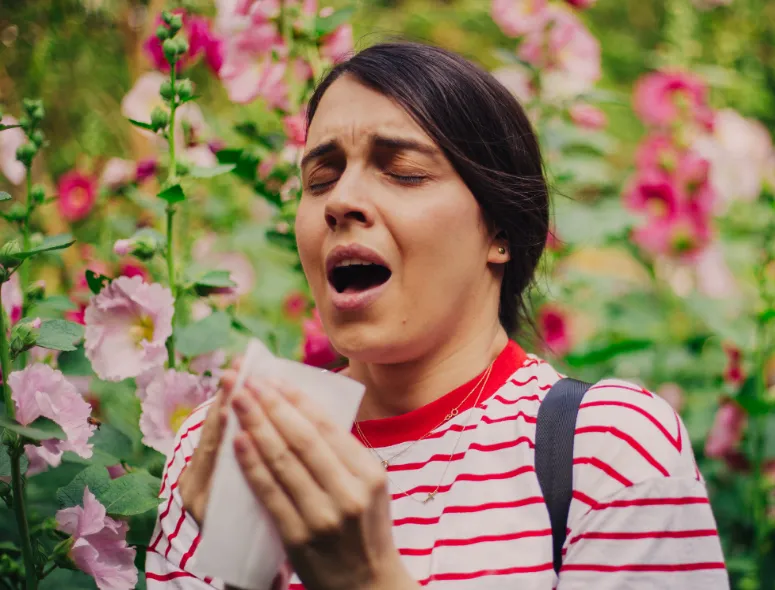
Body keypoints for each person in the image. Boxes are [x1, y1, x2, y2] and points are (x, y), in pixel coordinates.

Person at [145, 41, 729, 590]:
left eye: (402, 171)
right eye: (320, 178)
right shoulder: (228, 448)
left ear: (498, 230)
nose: (341, 200)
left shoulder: (606, 447)